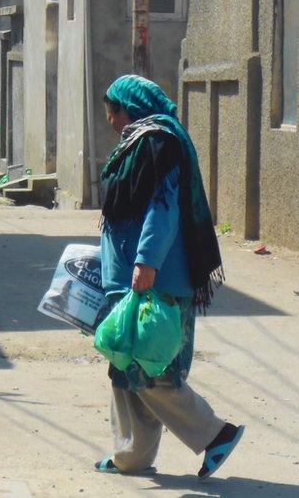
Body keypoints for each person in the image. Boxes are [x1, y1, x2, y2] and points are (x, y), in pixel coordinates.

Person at [94, 75, 242, 479]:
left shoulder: (160, 143)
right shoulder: (138, 142)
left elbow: (164, 208)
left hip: (154, 278)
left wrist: (146, 262)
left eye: (114, 110)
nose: (110, 119)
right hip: (127, 277)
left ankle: (216, 435)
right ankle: (131, 457)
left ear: (133, 108)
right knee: (124, 368)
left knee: (152, 372)